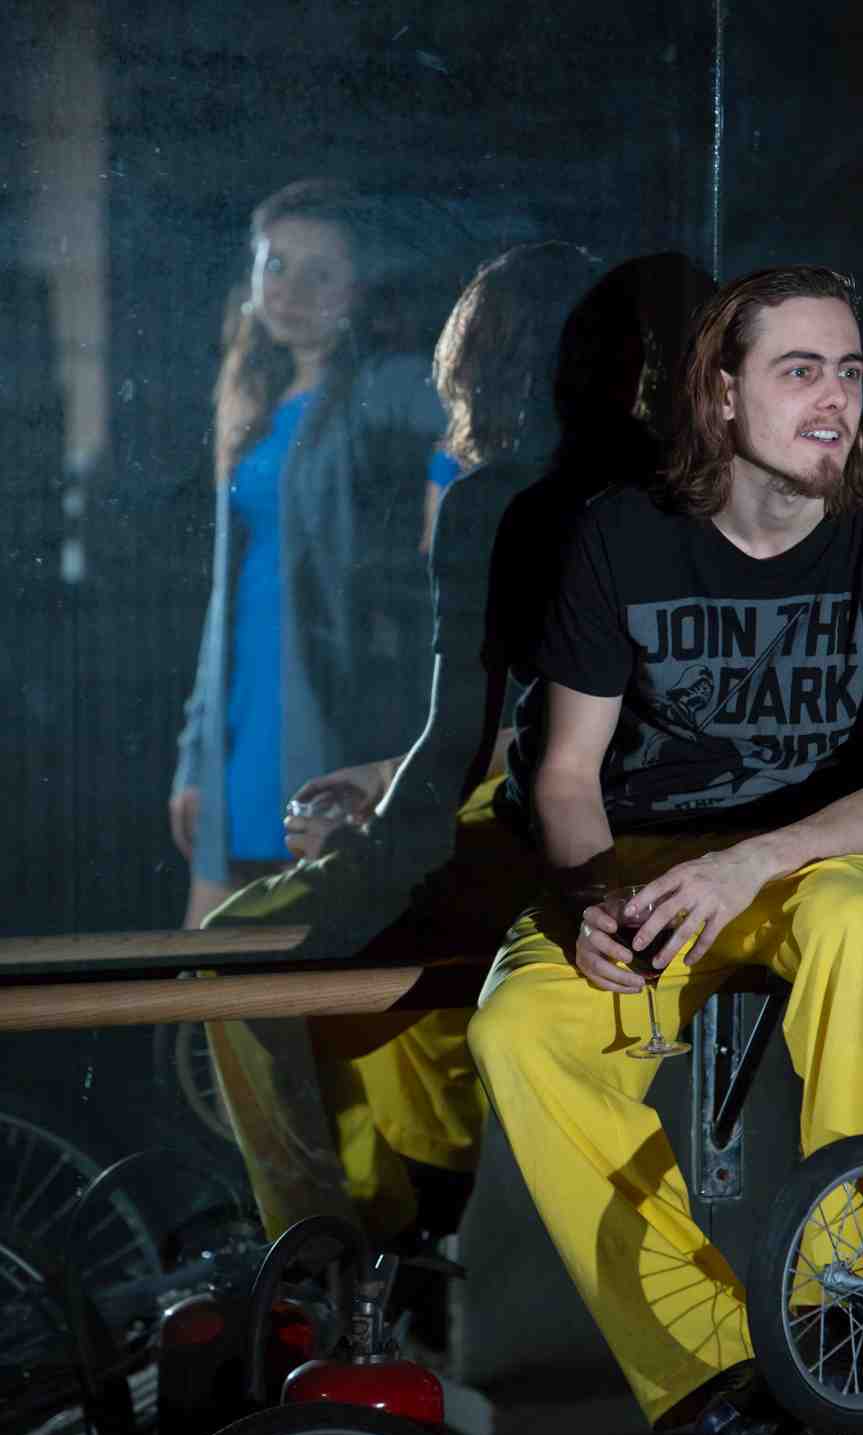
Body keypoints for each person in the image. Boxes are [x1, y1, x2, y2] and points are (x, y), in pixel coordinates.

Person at [466, 265, 863, 1435]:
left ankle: (858, 1319)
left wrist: (753, 862)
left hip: (812, 856)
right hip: (644, 857)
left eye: (848, 372)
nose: (833, 398)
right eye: (799, 371)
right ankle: (717, 1367)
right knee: (515, 1026)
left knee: (854, 920)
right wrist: (590, 893)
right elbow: (566, 773)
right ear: (721, 393)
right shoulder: (621, 534)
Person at [202, 242, 610, 1247]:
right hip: (611, 838)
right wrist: (386, 779)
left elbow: (469, 734)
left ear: (482, 362)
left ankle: (314, 1244)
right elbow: (562, 716)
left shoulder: (495, 500)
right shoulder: (664, 496)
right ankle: (414, 1237)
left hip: (521, 843)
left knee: (230, 961)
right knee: (393, 1007)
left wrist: (373, 839)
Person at [169, 179, 442, 929]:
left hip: (326, 697)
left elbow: (466, 422)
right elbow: (223, 603)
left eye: (320, 272)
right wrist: (195, 757)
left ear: (358, 291)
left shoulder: (384, 387)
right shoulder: (254, 401)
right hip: (242, 704)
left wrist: (442, 498)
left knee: (302, 929)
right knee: (204, 953)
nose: (289, 290)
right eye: (276, 265)